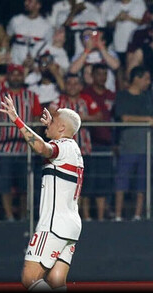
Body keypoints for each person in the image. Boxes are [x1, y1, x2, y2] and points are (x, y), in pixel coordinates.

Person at [0, 94, 83, 291]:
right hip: (71, 225)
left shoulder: (62, 147)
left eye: (53, 120)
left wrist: (16, 119)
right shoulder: (75, 150)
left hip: (54, 224)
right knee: (55, 281)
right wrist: (51, 128)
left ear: (62, 128)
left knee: (30, 278)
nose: (48, 122)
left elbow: (41, 148)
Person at [0, 64, 42, 221]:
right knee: (4, 185)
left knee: (25, 186)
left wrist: (36, 143)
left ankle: (23, 215)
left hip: (25, 148)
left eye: (19, 74)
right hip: (4, 147)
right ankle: (9, 215)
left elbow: (36, 119)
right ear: (8, 77)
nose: (16, 77)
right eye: (13, 74)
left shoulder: (31, 96)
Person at [49, 73, 102, 222]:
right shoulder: (59, 100)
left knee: (85, 185)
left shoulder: (86, 100)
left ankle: (85, 215)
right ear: (65, 85)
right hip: (64, 153)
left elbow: (99, 116)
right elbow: (49, 114)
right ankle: (67, 216)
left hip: (84, 150)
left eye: (75, 83)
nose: (72, 86)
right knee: (66, 186)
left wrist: (83, 119)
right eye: (69, 83)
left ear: (80, 86)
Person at [113, 66, 153, 221]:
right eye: (146, 79)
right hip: (128, 146)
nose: (149, 82)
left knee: (143, 183)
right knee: (122, 181)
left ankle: (138, 214)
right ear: (136, 78)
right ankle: (118, 215)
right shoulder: (122, 96)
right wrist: (147, 120)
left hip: (146, 146)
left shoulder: (148, 96)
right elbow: (124, 117)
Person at [82, 64, 116, 221]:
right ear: (92, 76)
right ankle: (87, 216)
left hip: (106, 143)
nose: (102, 77)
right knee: (87, 181)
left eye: (105, 74)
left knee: (103, 181)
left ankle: (101, 217)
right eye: (99, 74)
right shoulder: (85, 94)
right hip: (88, 144)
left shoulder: (111, 95)